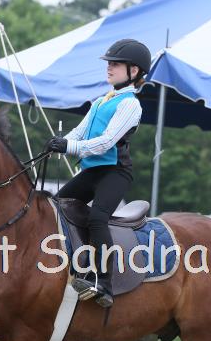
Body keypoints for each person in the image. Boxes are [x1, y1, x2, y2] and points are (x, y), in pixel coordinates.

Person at [45, 38, 151, 308]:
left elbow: (106, 142)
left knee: (97, 218)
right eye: (109, 63)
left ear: (134, 71)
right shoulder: (101, 101)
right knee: (55, 207)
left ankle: (104, 283)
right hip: (92, 171)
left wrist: (69, 147)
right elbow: (79, 131)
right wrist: (59, 142)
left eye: (115, 64)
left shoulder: (130, 104)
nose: (109, 68)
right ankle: (69, 263)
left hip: (115, 173)